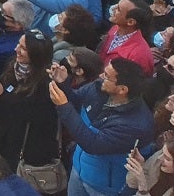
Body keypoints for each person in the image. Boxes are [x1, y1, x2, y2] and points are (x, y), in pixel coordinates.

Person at [52, 57, 155, 196]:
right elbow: (76, 99)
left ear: (122, 89)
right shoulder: (98, 88)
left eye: (107, 76)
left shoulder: (135, 124)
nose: (101, 76)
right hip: (79, 170)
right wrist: (63, 83)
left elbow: (92, 144)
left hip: (104, 188)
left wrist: (64, 107)